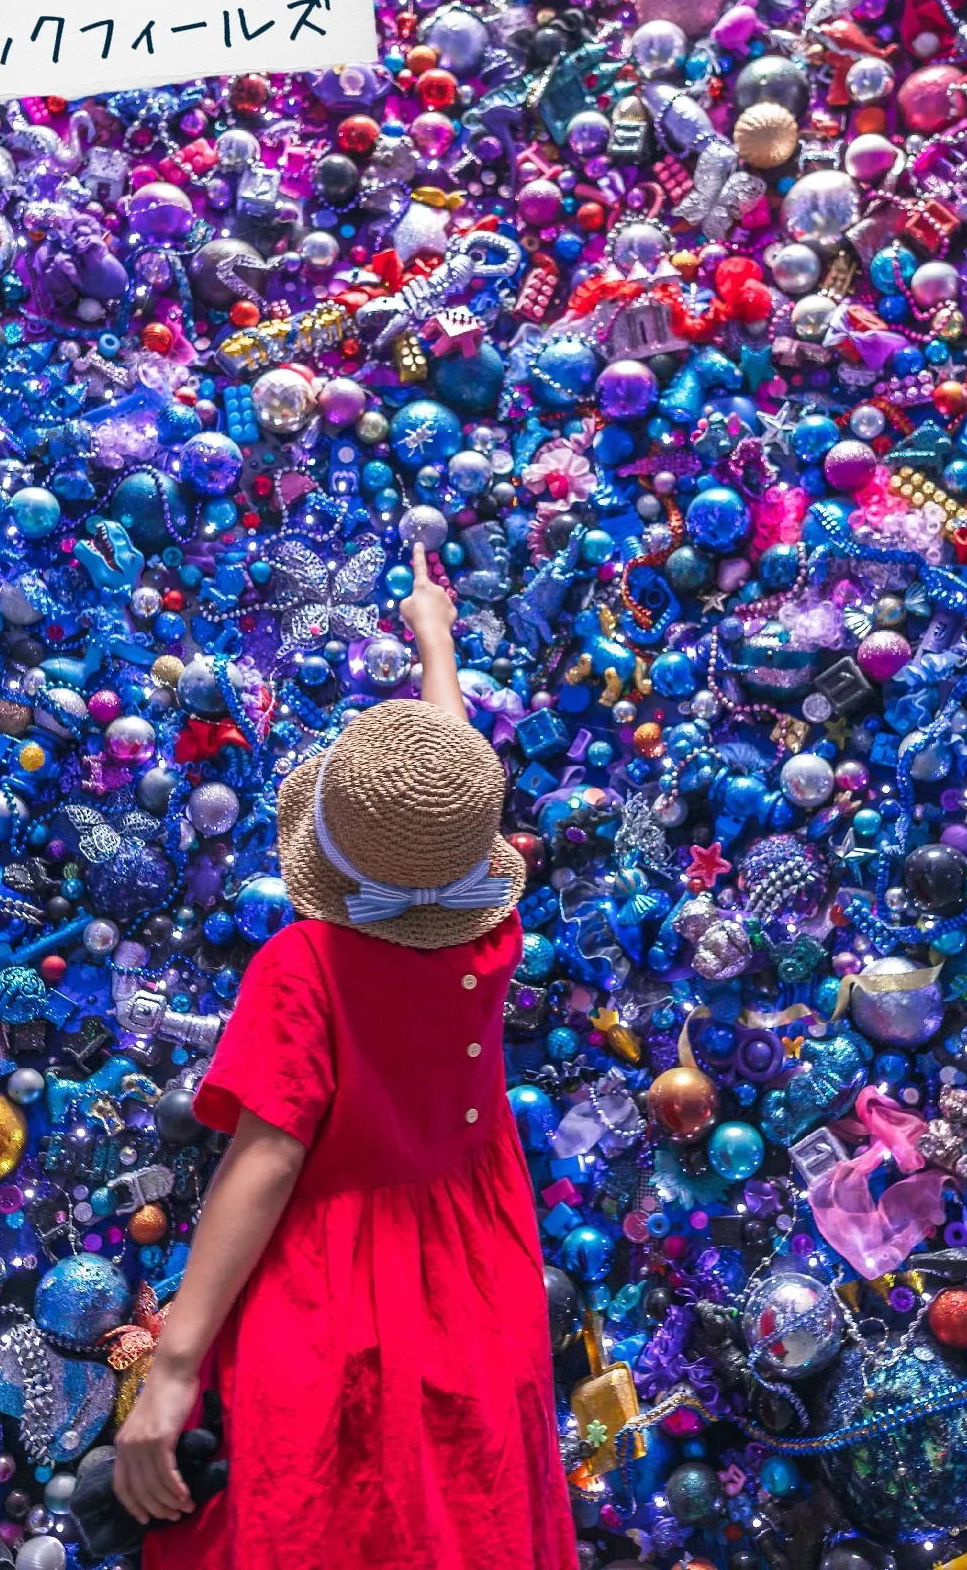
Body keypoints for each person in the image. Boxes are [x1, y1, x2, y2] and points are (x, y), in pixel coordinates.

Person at [113, 544, 577, 1570]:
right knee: (467, 1502)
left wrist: (176, 1368)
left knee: (333, 1508)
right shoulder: (486, 931)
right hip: (478, 1258)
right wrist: (434, 635)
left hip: (344, 1273)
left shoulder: (306, 962)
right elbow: (447, 782)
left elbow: (267, 1159)